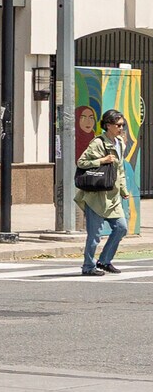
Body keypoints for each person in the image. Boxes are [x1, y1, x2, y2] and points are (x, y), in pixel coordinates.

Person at [77, 109, 131, 276]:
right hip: (97, 196)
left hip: (113, 196)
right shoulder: (98, 143)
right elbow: (81, 162)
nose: (121, 128)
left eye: (123, 125)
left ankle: (105, 261)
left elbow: (120, 169)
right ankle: (88, 266)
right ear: (108, 126)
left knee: (121, 228)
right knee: (94, 235)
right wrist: (102, 160)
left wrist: (123, 189)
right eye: (118, 125)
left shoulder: (120, 143)